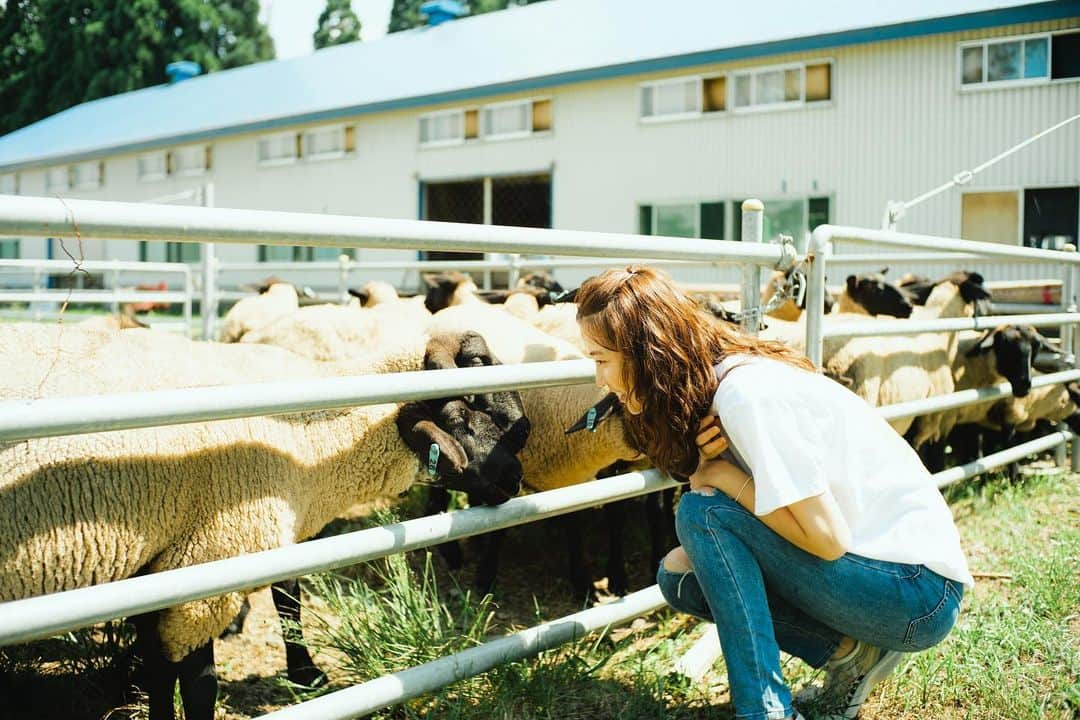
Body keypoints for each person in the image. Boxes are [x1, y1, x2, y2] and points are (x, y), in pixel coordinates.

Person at [575, 266, 972, 720]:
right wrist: (712, 471)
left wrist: (723, 478)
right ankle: (849, 654)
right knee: (679, 576)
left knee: (700, 515)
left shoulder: (746, 395)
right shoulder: (722, 389)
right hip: (887, 578)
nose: (598, 380)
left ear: (647, 354)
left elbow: (828, 539)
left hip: (919, 592)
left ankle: (765, 711)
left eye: (602, 359)